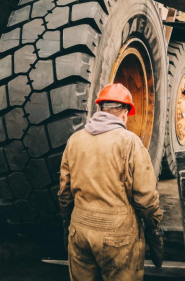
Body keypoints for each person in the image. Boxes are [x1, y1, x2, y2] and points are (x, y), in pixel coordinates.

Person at [58, 83, 164, 281]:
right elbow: (146, 198)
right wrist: (155, 230)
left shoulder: (75, 140)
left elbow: (64, 192)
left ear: (100, 109)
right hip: (118, 237)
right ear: (125, 113)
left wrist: (67, 225)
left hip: (79, 232)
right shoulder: (130, 142)